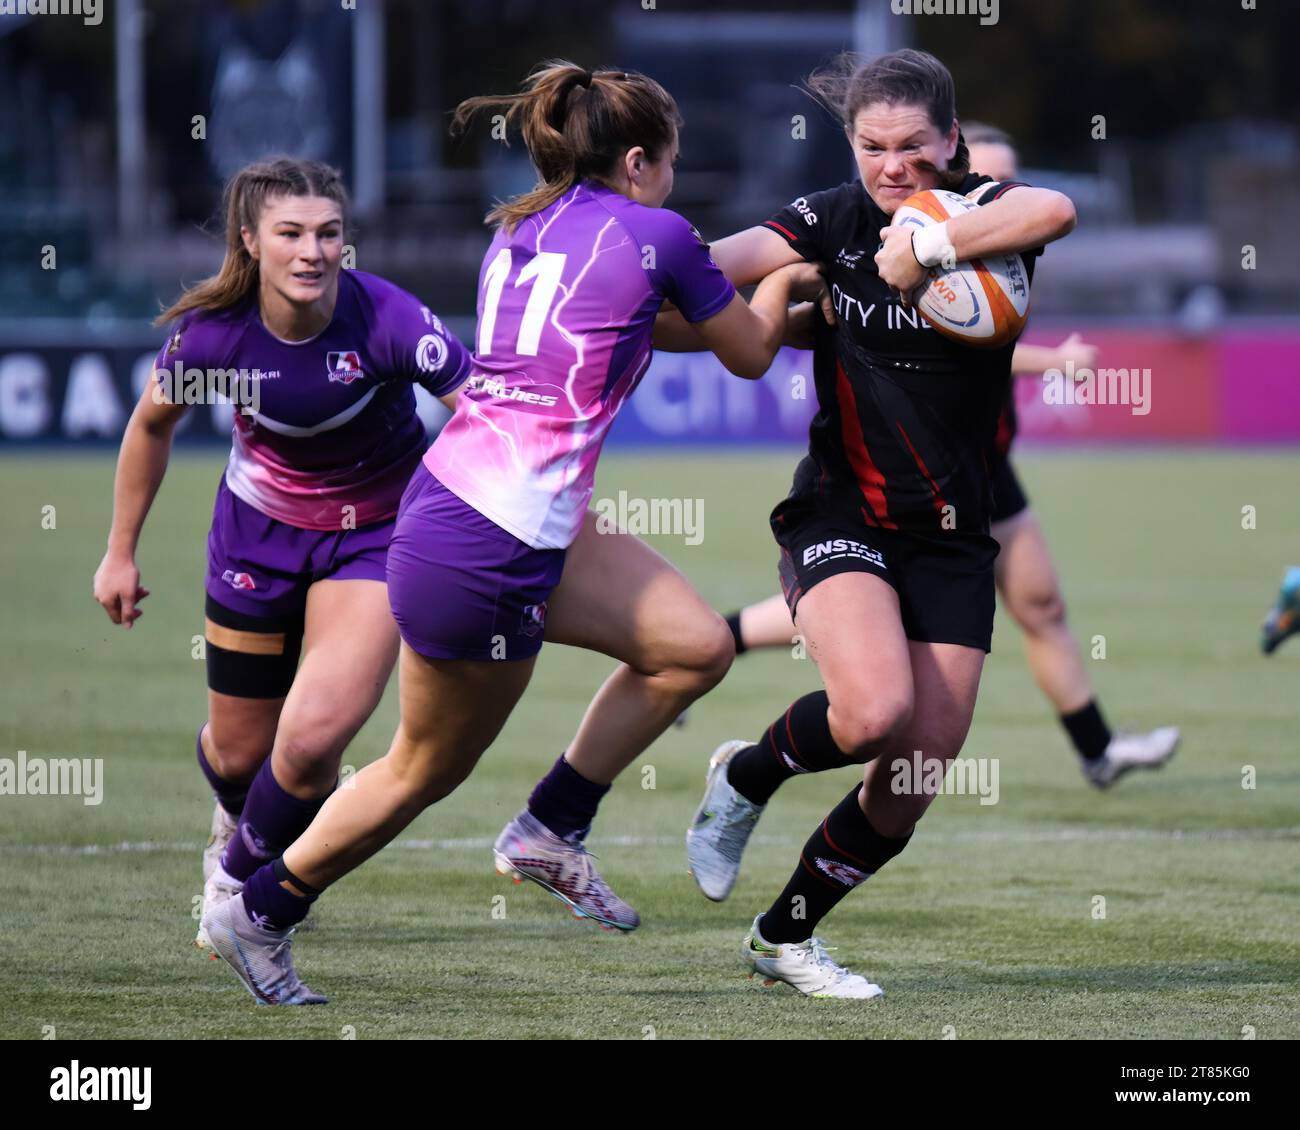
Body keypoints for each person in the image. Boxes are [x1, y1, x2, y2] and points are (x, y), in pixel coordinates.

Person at [201, 61, 822, 1004]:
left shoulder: (523, 228)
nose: (673, 183)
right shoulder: (659, 233)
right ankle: (257, 912)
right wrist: (790, 286)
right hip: (488, 547)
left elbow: (651, 318)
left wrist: (760, 283)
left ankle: (550, 827)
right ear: (644, 159)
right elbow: (746, 351)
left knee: (692, 648)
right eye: (672, 164)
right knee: (420, 768)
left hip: (477, 507)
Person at [675, 49, 1078, 997]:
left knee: (913, 776)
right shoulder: (831, 217)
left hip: (953, 529)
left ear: (953, 142)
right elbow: (706, 269)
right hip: (842, 506)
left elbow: (1057, 209)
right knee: (870, 715)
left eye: (914, 148)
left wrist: (931, 248)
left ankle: (784, 939)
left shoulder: (984, 212)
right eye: (872, 147)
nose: (894, 167)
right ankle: (745, 777)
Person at [716, 121, 1179, 790]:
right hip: (911, 478)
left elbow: (1000, 303)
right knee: (871, 637)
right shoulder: (914, 240)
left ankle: (1097, 749)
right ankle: (720, 648)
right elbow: (953, 338)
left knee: (1040, 605)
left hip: (985, 469)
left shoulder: (1002, 235)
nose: (1002, 196)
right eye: (991, 177)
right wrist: (1060, 360)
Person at [92, 157, 470, 950]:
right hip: (255, 540)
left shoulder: (387, 320)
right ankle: (234, 813)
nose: (313, 251)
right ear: (250, 242)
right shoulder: (217, 338)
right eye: (291, 233)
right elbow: (150, 428)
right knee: (241, 755)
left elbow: (484, 413)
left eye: (329, 233)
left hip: (372, 538)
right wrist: (118, 553)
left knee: (313, 742)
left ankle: (237, 885)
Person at [1261, 566, 1300, 653]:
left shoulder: (1290, 588)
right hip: (1293, 620)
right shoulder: (1289, 592)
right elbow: (1279, 609)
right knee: (1268, 647)